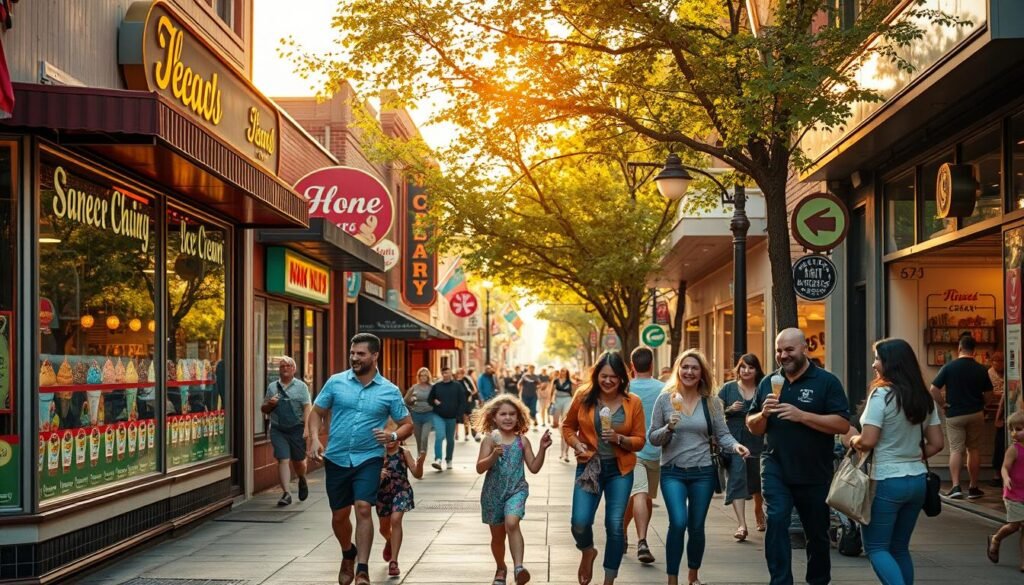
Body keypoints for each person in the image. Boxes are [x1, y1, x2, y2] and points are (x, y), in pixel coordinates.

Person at [307, 333, 413, 585]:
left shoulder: (389, 390)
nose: (354, 357)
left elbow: (407, 423)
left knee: (364, 508)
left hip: (369, 458)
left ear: (375, 356)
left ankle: (362, 569)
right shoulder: (335, 383)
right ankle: (348, 552)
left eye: (360, 354)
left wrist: (392, 435)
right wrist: (313, 437)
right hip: (337, 458)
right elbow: (316, 412)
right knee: (339, 516)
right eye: (352, 353)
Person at [746, 328, 850, 585]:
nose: (783, 355)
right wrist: (763, 415)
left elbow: (841, 424)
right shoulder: (768, 382)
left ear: (805, 348)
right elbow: (753, 426)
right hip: (775, 464)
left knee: (817, 533)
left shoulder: (826, 382)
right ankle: (780, 581)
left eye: (789, 349)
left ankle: (818, 580)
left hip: (814, 470)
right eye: (779, 350)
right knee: (777, 520)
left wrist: (802, 415)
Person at [848, 338, 944, 585]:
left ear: (891, 363)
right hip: (917, 481)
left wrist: (851, 440)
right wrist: (910, 456)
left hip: (886, 481)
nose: (873, 364)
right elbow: (936, 443)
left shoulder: (882, 395)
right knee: (900, 548)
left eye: (878, 358)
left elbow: (868, 440)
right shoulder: (925, 398)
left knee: (877, 548)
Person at [650, 349, 749, 585]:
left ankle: (693, 575)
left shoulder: (712, 402)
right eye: (685, 367)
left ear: (701, 373)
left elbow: (723, 435)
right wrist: (669, 429)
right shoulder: (665, 399)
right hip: (672, 471)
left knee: (696, 526)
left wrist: (736, 447)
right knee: (678, 522)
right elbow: (653, 437)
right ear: (678, 370)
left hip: (702, 473)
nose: (689, 372)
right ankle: (672, 578)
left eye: (694, 368)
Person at [561, 351, 646, 585]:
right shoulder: (583, 396)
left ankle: (609, 579)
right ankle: (587, 551)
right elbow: (567, 426)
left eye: (614, 377)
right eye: (604, 376)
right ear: (597, 375)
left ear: (622, 378)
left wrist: (620, 438)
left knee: (615, 525)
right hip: (590, 467)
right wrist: (577, 444)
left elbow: (640, 439)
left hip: (620, 470)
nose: (608, 381)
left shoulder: (633, 402)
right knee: (579, 522)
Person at [476, 395, 553, 585]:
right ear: (494, 417)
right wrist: (493, 455)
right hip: (492, 494)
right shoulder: (489, 441)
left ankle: (519, 568)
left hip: (516, 491)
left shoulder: (522, 441)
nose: (508, 418)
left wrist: (542, 448)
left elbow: (534, 467)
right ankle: (501, 567)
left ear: (518, 417)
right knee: (497, 537)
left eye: (512, 414)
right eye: (503, 414)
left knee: (512, 523)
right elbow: (479, 468)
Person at [929, 333, 993, 499]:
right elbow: (989, 394)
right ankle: (973, 486)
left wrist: (943, 404)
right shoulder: (981, 369)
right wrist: (983, 405)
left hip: (955, 414)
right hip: (976, 413)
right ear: (974, 350)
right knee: (974, 449)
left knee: (956, 449)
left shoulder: (949, 367)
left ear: (959, 348)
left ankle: (956, 486)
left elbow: (933, 389)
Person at [622, 346, 664, 564]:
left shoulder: (625, 389)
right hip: (652, 452)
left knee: (641, 496)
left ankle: (622, 531)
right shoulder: (664, 388)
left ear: (632, 366)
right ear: (651, 365)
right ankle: (642, 542)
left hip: (631, 448)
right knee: (641, 494)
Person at [717, 353, 766, 539]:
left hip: (757, 437)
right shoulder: (728, 389)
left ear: (756, 370)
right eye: (743, 367)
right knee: (737, 477)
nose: (746, 371)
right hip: (734, 439)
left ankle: (758, 510)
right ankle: (742, 525)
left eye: (751, 367)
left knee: (757, 480)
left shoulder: (762, 388)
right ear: (738, 369)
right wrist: (729, 410)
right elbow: (714, 411)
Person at [376, 422, 426, 577]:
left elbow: (417, 474)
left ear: (400, 437)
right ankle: (390, 540)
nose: (390, 439)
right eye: (387, 436)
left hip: (401, 490)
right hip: (382, 493)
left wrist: (421, 462)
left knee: (396, 519)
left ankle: (394, 561)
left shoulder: (404, 453)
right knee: (383, 529)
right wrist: (378, 474)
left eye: (393, 436)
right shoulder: (377, 454)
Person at [260, 357, 312, 507]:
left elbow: (307, 408)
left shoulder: (301, 387)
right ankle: (286, 493)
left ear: (294, 369)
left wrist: (306, 427)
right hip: (278, 429)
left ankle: (302, 478)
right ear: (279, 369)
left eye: (288, 366)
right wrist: (270, 404)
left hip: (297, 428)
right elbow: (264, 409)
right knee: (283, 459)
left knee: (299, 461)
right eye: (282, 366)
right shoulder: (272, 387)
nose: (285, 368)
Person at [987, 410, 1024, 572]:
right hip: (1014, 494)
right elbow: (1004, 467)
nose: (1014, 433)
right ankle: (996, 538)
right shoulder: (1014, 449)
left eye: (1019, 429)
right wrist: (1006, 477)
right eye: (1012, 429)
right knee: (1015, 525)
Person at [428, 366, 466, 470]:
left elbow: (462, 401)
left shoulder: (457, 386)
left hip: (452, 416)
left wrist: (459, 414)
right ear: (442, 374)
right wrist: (434, 401)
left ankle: (449, 459)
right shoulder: (437, 386)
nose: (446, 375)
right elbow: (430, 399)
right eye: (444, 373)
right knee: (439, 436)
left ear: (451, 374)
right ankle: (438, 459)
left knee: (450, 439)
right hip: (438, 415)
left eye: (448, 373)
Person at [404, 367, 435, 456]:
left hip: (428, 415)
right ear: (419, 377)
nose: (423, 377)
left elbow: (438, 398)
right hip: (416, 415)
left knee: (424, 437)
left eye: (425, 375)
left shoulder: (432, 387)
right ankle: (419, 455)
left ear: (428, 376)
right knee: (418, 438)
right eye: (421, 375)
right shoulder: (414, 387)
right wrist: (412, 401)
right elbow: (405, 400)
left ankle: (423, 454)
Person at [989, 352, 1007, 487]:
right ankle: (997, 474)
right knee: (999, 443)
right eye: (997, 361)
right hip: (998, 411)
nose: (1000, 364)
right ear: (992, 362)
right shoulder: (989, 374)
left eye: (1002, 361)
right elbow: (990, 393)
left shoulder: (1009, 373)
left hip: (1004, 411)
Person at [552, 368, 576, 462]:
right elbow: (552, 392)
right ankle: (562, 451)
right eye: (562, 371)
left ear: (567, 373)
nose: (563, 373)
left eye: (565, 372)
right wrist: (551, 402)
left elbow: (574, 395)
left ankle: (565, 454)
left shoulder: (571, 382)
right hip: (557, 400)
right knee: (557, 423)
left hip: (567, 400)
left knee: (564, 423)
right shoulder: (556, 381)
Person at [457, 368, 480, 441]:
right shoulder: (456, 381)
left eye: (460, 373)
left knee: (471, 418)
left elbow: (474, 390)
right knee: (465, 419)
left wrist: (470, 396)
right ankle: (466, 435)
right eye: (458, 373)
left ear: (463, 373)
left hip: (469, 402)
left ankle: (475, 434)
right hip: (462, 403)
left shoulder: (467, 379)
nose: (459, 375)